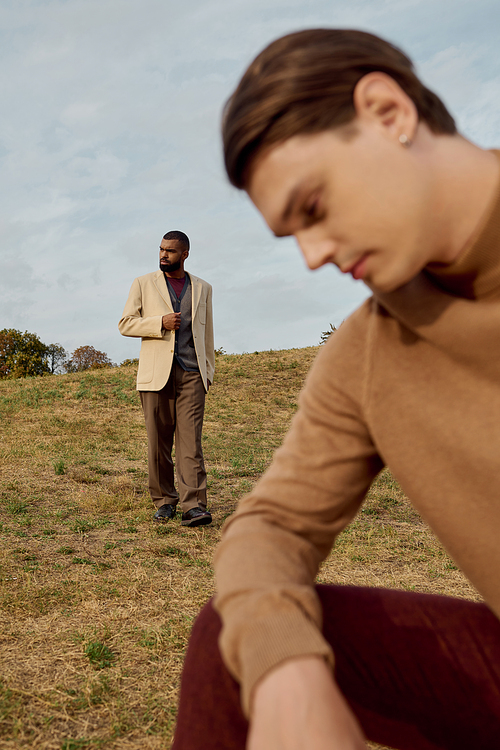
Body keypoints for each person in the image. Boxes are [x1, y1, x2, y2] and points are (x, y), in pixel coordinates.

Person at [172, 29, 500, 750]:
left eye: (313, 206)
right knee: (240, 636)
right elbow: (271, 528)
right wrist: (287, 674)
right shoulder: (368, 354)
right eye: (291, 234)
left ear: (388, 112)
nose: (314, 255)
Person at [119, 230, 215, 528]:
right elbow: (125, 324)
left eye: (170, 251)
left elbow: (206, 332)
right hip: (155, 376)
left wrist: (206, 372)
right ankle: (164, 501)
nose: (163, 255)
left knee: (191, 444)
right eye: (161, 249)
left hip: (191, 375)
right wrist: (158, 323)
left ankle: (194, 507)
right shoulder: (143, 283)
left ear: (185, 254)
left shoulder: (203, 288)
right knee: (157, 443)